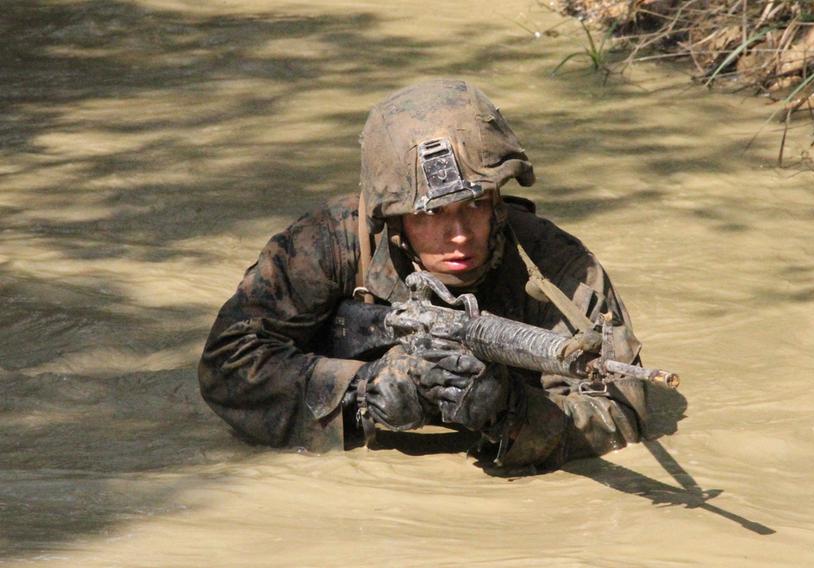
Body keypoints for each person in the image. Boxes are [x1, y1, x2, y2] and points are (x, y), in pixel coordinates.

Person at [198, 79, 653, 471]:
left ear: (497, 199)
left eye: (475, 205)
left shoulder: (556, 266)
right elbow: (228, 365)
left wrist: (511, 411)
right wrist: (364, 391)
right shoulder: (326, 243)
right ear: (392, 219)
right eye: (431, 213)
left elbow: (620, 409)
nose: (459, 235)